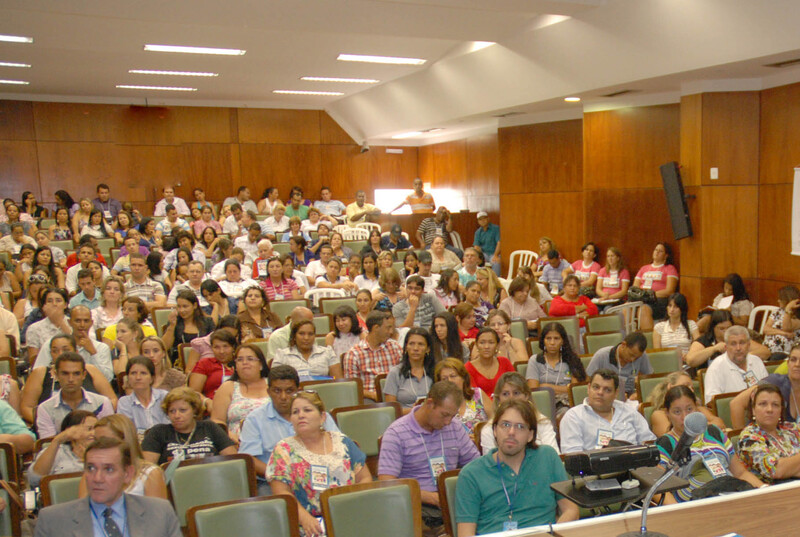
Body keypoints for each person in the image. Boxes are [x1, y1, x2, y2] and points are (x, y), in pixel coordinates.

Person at [456, 399, 578, 536]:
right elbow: (465, 534)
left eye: (520, 426)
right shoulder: (471, 474)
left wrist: (553, 534)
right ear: (495, 430)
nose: (511, 432)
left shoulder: (547, 457)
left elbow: (571, 510)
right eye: (505, 425)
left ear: (530, 435)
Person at [378, 381, 479, 532]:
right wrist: (431, 497)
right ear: (430, 403)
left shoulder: (455, 427)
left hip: (453, 500)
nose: (448, 422)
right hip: (419, 506)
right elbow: (387, 483)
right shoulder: (396, 433)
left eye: (452, 416)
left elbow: (476, 465)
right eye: (445, 415)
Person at [267, 390, 370, 537]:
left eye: (307, 410)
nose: (301, 415)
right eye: (295, 412)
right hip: (309, 524)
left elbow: (365, 478)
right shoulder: (283, 450)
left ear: (322, 417)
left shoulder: (342, 441)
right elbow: (282, 492)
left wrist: (353, 507)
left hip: (349, 515)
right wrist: (305, 518)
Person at [34, 436, 181, 537]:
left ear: (128, 474)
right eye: (91, 468)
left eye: (109, 469)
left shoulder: (159, 512)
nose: (97, 478)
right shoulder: (52, 520)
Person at [238, 365, 340, 495]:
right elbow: (249, 459)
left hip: (321, 476)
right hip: (272, 480)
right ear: (268, 392)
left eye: (289, 391)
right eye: (277, 391)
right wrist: (281, 476)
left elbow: (339, 445)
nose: (283, 397)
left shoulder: (317, 414)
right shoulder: (254, 419)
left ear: (298, 390)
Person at [656, 385, 763, 503]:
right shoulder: (665, 444)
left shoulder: (714, 432)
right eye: (677, 412)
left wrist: (764, 489)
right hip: (695, 504)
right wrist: (679, 511)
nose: (685, 417)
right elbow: (660, 489)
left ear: (697, 409)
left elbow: (740, 473)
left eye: (689, 409)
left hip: (730, 494)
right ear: (667, 413)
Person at [559, 369, 656, 453]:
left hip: (634, 465)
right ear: (588, 388)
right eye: (596, 387)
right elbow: (573, 456)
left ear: (616, 393)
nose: (600, 392)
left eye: (607, 390)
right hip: (595, 467)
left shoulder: (629, 412)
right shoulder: (574, 417)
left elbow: (649, 443)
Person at [142, 387, 236, 464]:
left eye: (182, 410)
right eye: (172, 411)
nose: (177, 416)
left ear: (194, 410)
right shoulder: (159, 432)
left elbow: (233, 461)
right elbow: (147, 469)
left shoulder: (210, 427)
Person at [36, 352, 115, 439]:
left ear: (84, 375)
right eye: (65, 373)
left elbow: (109, 439)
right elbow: (48, 444)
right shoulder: (45, 408)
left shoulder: (102, 403)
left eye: (76, 373)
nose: (71, 379)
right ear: (56, 375)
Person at [479, 372, 560, 454]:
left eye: (516, 393)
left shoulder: (542, 422)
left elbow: (554, 456)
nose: (511, 398)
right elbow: (491, 461)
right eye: (505, 394)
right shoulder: (489, 429)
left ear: (526, 396)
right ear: (499, 399)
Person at [737, 383, 800, 483]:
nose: (769, 409)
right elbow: (776, 470)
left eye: (775, 405)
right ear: (753, 410)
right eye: (763, 404)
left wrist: (789, 468)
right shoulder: (748, 438)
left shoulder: (792, 428)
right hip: (774, 490)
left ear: (781, 410)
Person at [34, 304, 114, 381]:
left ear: (91, 323)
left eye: (86, 321)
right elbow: (37, 374)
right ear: (69, 322)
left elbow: (107, 378)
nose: (82, 325)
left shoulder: (102, 348)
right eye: (77, 321)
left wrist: (93, 353)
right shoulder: (52, 344)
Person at [211, 343, 270, 442]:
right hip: (236, 442)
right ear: (235, 366)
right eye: (240, 360)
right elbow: (217, 421)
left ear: (261, 365)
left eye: (250, 359)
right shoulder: (227, 387)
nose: (245, 362)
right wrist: (230, 436)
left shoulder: (273, 385)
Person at [526, 322, 588, 415]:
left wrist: (546, 387)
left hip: (566, 404)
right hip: (542, 404)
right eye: (548, 338)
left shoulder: (572, 359)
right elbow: (535, 391)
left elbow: (574, 390)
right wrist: (563, 388)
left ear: (562, 341)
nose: (552, 343)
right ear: (543, 341)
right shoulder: (535, 360)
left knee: (566, 413)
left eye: (556, 338)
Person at [343, 310, 403, 401]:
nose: (391, 332)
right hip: (369, 398)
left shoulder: (395, 347)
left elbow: (405, 375)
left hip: (396, 395)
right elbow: (352, 387)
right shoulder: (354, 354)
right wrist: (373, 395)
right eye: (388, 328)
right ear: (376, 328)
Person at [703, 325, 769, 404]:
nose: (738, 348)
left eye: (742, 343)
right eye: (733, 344)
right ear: (726, 347)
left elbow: (768, 391)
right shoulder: (716, 368)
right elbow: (711, 403)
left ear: (748, 345)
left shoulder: (757, 361)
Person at [31, 409, 98, 488]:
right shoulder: (56, 451)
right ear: (69, 430)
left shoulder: (104, 452)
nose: (94, 433)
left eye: (96, 429)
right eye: (89, 429)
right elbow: (34, 480)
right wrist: (56, 441)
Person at [648, 371, 724, 436]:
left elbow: (720, 424)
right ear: (670, 387)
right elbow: (671, 435)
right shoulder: (659, 414)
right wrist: (703, 427)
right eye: (686, 386)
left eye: (692, 388)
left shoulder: (699, 409)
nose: (691, 390)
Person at [586, 331, 652, 400]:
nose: (633, 359)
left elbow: (649, 380)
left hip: (630, 398)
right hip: (605, 396)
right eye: (631, 355)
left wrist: (638, 394)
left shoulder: (642, 356)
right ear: (623, 345)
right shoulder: (601, 355)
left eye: (636, 358)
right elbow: (588, 382)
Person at [434, 358, 492, 434]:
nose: (450, 381)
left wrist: (481, 434)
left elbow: (495, 419)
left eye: (453, 376)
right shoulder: (439, 405)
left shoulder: (478, 394)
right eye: (444, 379)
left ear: (463, 378)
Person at [384, 327, 435, 411]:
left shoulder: (436, 371)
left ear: (428, 349)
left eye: (421, 344)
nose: (415, 348)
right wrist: (415, 411)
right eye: (411, 344)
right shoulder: (395, 372)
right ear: (406, 347)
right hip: (405, 417)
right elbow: (391, 410)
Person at [117, 356, 170, 435]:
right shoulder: (124, 403)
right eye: (133, 373)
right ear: (128, 378)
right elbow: (127, 432)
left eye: (143, 373)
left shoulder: (164, 397)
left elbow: (169, 427)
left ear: (152, 378)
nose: (138, 377)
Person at [273, 319, 341, 380]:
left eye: (310, 334)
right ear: (294, 336)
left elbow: (338, 381)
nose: (306, 338)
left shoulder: (327, 352)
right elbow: (275, 382)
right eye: (301, 334)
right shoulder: (282, 355)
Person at [634, 242, 679, 331]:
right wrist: (642, 296)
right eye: (656, 250)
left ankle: (650, 338)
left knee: (644, 309)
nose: (657, 252)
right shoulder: (644, 268)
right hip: (641, 299)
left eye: (660, 251)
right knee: (625, 308)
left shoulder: (670, 268)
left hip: (658, 300)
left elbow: (670, 291)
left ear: (666, 256)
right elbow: (635, 288)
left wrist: (649, 295)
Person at [465, 327, 516, 395]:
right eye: (482, 343)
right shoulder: (468, 368)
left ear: (497, 345)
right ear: (476, 345)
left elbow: (515, 386)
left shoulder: (505, 362)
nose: (486, 347)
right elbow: (473, 396)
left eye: (491, 343)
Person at [189, 329, 237, 400]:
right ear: (211, 348)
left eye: (225, 346)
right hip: (212, 402)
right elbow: (194, 393)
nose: (221, 351)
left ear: (233, 347)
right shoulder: (205, 363)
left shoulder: (240, 363)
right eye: (216, 347)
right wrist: (206, 401)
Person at [473, 211, 501, 275]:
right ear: (478, 221)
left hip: (494, 253)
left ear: (488, 219)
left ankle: (495, 279)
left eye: (484, 218)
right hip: (484, 254)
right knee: (474, 260)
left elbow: (499, 243)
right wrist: (479, 256)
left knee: (496, 263)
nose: (482, 221)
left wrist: (495, 255)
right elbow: (476, 246)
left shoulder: (496, 228)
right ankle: (478, 278)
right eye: (480, 219)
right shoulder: (478, 232)